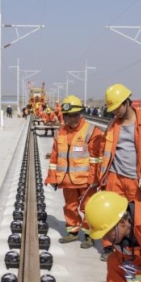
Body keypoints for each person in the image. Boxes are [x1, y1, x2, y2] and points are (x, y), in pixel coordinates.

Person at [45, 95, 104, 248]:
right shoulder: (60, 133)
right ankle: (73, 231)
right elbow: (55, 157)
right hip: (67, 180)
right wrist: (52, 177)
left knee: (88, 208)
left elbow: (97, 159)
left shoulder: (92, 131)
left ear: (80, 114)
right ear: (64, 116)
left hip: (86, 181)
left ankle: (90, 235)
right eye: (69, 116)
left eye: (75, 115)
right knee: (70, 206)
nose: (72, 119)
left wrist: (94, 179)